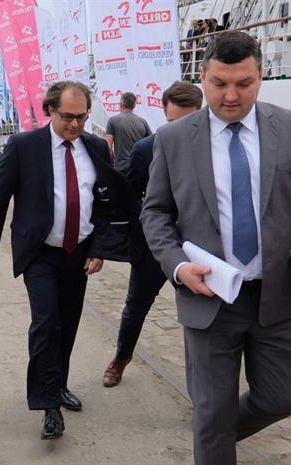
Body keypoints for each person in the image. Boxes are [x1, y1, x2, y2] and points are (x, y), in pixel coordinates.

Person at [140, 31, 291, 465]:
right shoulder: (173, 139)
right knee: (212, 412)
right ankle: (212, 437)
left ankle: (212, 437)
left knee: (280, 399)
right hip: (209, 296)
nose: (231, 96)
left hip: (277, 295)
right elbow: (154, 213)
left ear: (261, 76)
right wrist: (178, 266)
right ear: (203, 77)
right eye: (219, 83)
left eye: (244, 84)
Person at [0, 81, 137, 441]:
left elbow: (105, 203)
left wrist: (99, 249)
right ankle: (48, 405)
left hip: (78, 253)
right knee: (46, 324)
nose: (75, 124)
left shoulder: (96, 147)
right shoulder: (24, 146)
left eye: (82, 117)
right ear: (50, 110)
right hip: (40, 252)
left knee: (67, 324)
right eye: (67, 117)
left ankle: (59, 384)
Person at [103, 81, 203, 388]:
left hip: (198, 248)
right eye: (173, 122)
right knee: (136, 307)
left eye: (189, 120)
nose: (181, 129)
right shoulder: (146, 149)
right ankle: (121, 358)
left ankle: (204, 384)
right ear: (163, 114)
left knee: (202, 317)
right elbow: (131, 195)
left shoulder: (213, 148)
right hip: (154, 246)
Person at [104, 92, 151, 174]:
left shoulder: (112, 120)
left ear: (121, 104)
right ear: (134, 105)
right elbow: (151, 145)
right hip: (138, 169)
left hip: (121, 169)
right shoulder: (143, 122)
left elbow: (108, 148)